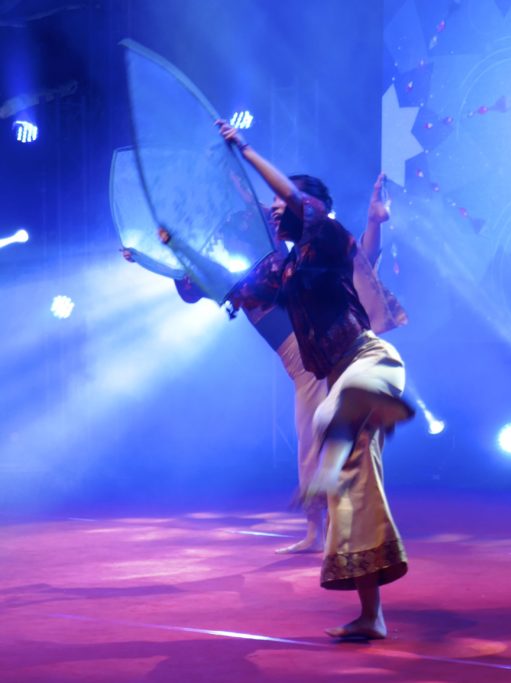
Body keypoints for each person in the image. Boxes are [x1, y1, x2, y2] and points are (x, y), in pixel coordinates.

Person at [124, 176, 403, 556]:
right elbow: (191, 285)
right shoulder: (240, 278)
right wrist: (158, 254)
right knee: (315, 446)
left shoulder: (278, 262)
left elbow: (355, 265)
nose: (226, 240)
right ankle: (322, 532)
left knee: (322, 445)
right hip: (307, 368)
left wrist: (239, 185)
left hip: (317, 363)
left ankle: (336, 534)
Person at [216, 119, 414, 639]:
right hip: (338, 382)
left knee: (335, 413)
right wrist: (175, 247)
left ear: (314, 209)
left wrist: (247, 149)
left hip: (370, 361)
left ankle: (368, 415)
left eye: (290, 201)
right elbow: (212, 285)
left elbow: (294, 204)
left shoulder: (325, 237)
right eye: (280, 203)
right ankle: (372, 615)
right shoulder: (281, 271)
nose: (279, 206)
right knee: (352, 486)